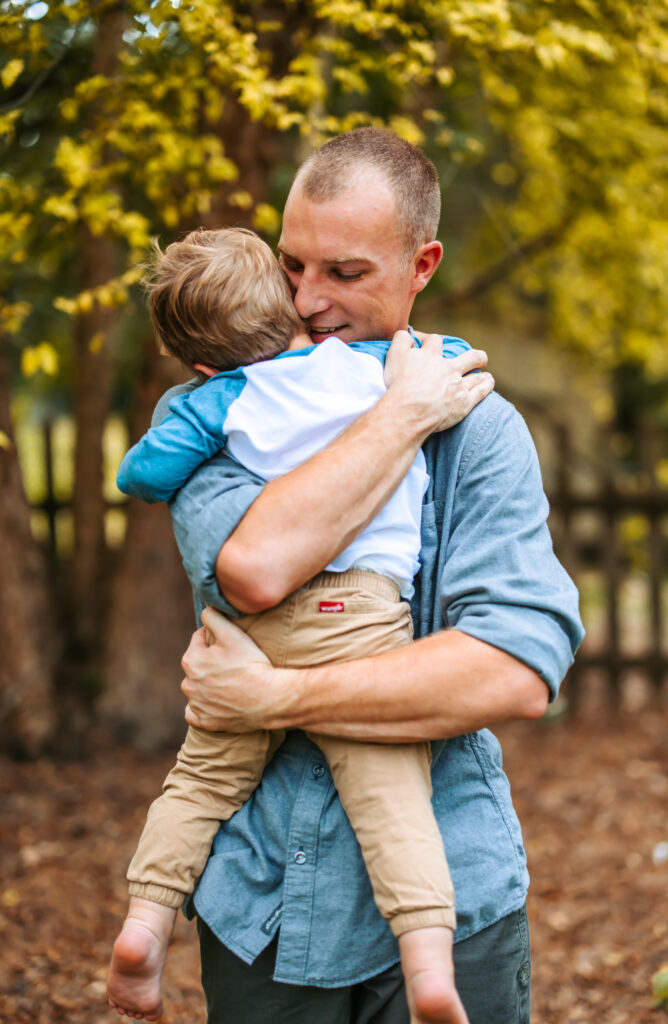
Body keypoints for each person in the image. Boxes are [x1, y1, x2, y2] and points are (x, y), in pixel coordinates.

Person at [142, 128, 584, 1023]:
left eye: (344, 273)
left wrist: (267, 699)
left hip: (451, 898)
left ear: (420, 264)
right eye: (291, 263)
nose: (306, 302)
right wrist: (398, 418)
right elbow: (257, 569)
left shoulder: (478, 425)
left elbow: (512, 669)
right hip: (260, 895)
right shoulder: (210, 406)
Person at [107, 226, 494, 1023]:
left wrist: (193, 412)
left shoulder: (212, 400)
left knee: (203, 778)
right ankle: (426, 967)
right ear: (290, 309)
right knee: (392, 795)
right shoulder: (363, 364)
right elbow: (446, 351)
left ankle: (145, 925)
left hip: (256, 631)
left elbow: (139, 475)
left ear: (200, 362)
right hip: (356, 614)